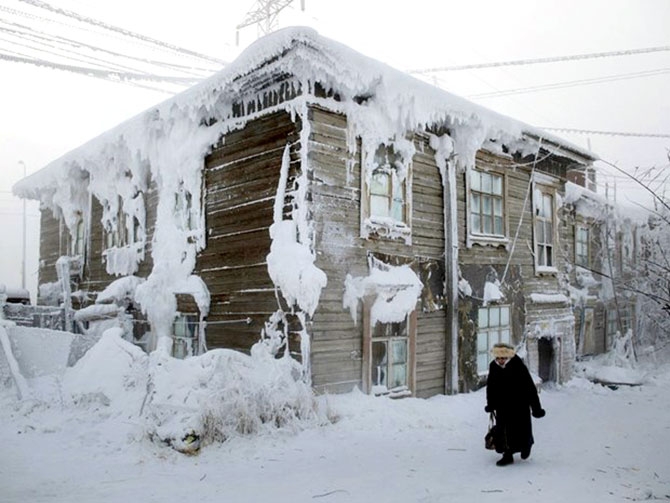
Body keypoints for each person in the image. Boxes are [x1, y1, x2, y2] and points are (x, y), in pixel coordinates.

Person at [485, 343, 545, 466]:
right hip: (502, 406)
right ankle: (507, 455)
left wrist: (536, 408)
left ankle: (526, 446)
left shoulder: (518, 366)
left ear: (508, 357)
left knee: (521, 429)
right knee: (504, 431)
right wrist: (491, 404)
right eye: (498, 358)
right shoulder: (493, 367)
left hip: (520, 405)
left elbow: (529, 387)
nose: (500, 361)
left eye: (503, 358)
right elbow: (491, 387)